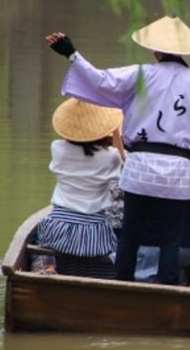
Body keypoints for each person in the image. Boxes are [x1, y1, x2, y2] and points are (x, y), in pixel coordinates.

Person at [45, 15, 190, 285]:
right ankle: (169, 291)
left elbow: (101, 82)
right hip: (176, 171)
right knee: (171, 238)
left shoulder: (141, 74)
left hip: (139, 167)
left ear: (156, 51)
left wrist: (72, 54)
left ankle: (121, 286)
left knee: (130, 234)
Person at [35, 98, 124, 278]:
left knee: (37, 238)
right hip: (95, 234)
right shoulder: (111, 157)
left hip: (57, 227)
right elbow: (124, 161)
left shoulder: (57, 149)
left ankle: (48, 267)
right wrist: (115, 133)